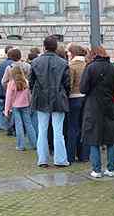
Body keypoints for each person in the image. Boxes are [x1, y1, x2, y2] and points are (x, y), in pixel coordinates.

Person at [80, 46, 114, 178]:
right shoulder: (113, 68)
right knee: (110, 138)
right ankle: (111, 168)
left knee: (94, 138)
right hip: (109, 104)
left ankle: (96, 170)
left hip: (93, 105)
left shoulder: (90, 68)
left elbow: (83, 88)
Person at [30, 35, 70, 167]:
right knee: (58, 131)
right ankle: (60, 159)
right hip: (58, 97)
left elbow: (31, 82)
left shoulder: (35, 62)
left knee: (42, 130)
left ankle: (42, 159)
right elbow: (67, 83)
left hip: (41, 98)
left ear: (44, 47)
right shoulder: (63, 63)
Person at [5, 64, 38, 151]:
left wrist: (7, 109)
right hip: (25, 105)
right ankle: (34, 143)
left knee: (18, 125)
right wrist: (30, 103)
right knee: (29, 124)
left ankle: (21, 145)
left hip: (15, 106)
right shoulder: (26, 82)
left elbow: (8, 98)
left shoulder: (11, 83)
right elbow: (29, 95)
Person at [66, 44, 88, 163]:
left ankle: (70, 155)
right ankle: (84, 155)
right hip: (85, 98)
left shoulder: (71, 66)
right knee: (83, 126)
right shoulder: (87, 65)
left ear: (72, 53)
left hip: (74, 98)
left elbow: (69, 84)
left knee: (72, 127)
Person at [0, 46, 14, 132]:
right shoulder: (12, 65)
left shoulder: (0, 64)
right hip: (7, 91)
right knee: (9, 110)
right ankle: (8, 126)